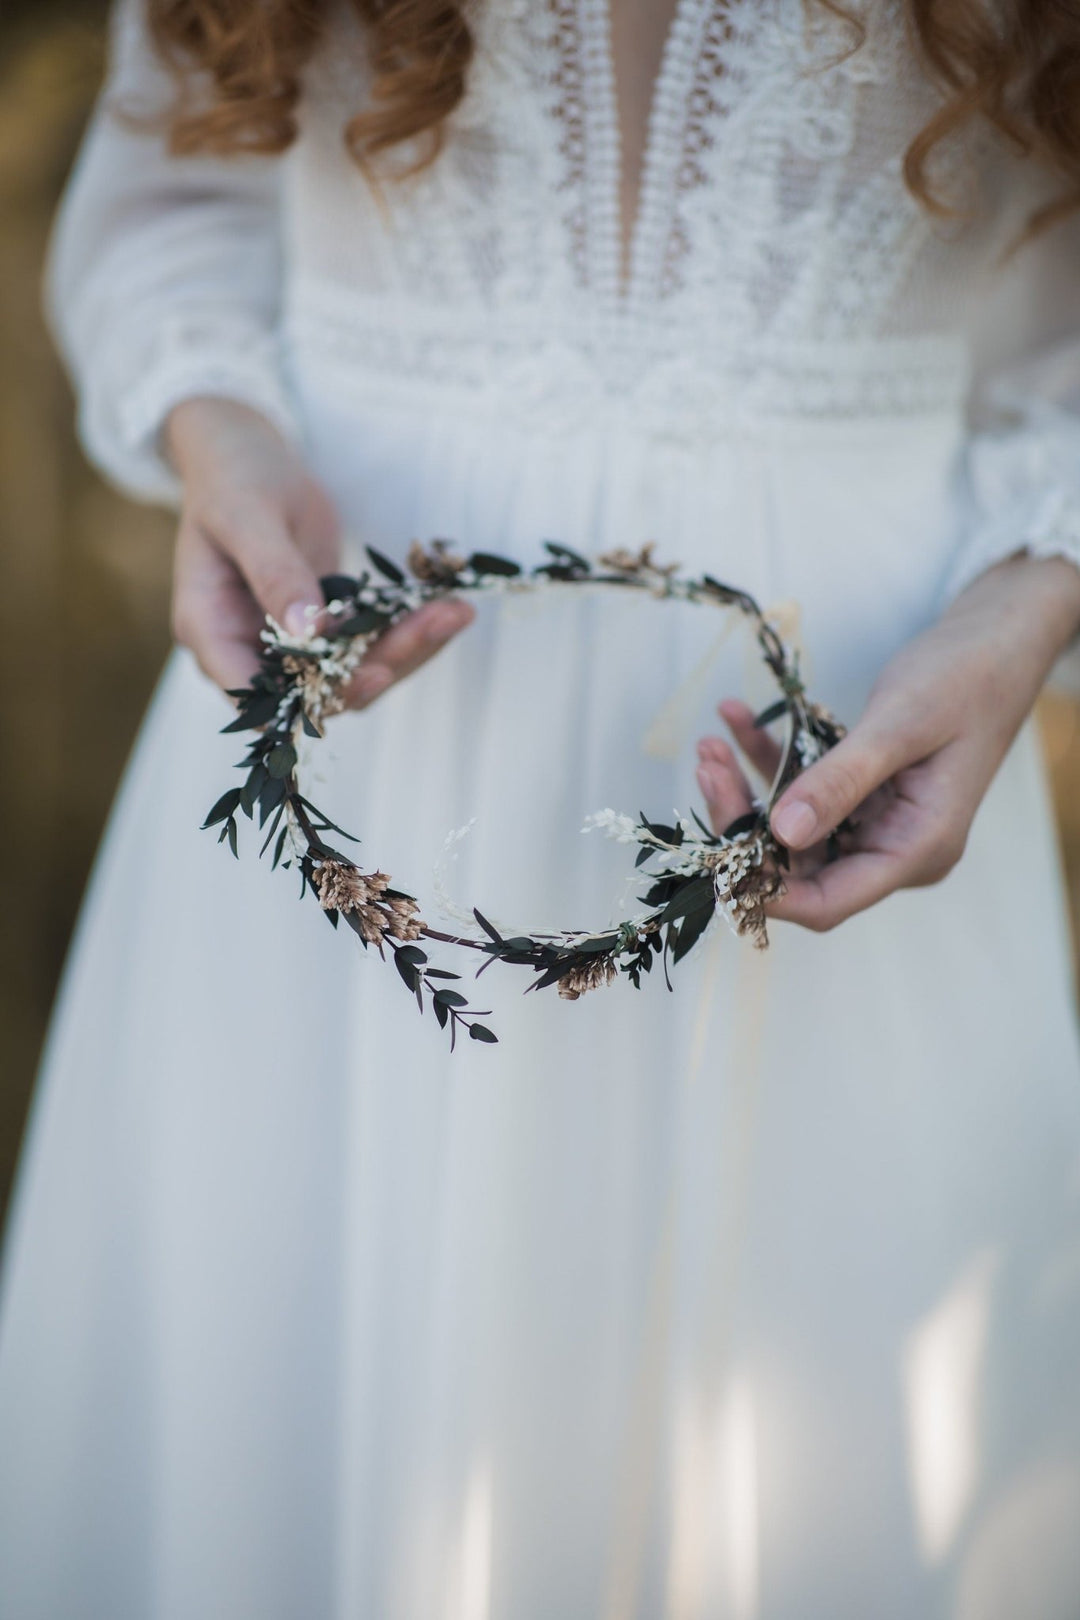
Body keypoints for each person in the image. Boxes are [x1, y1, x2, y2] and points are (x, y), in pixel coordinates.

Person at [3, 0, 1080, 1613]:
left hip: (869, 742)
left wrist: (1035, 599)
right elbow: (174, 195)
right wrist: (215, 424)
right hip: (349, 724)